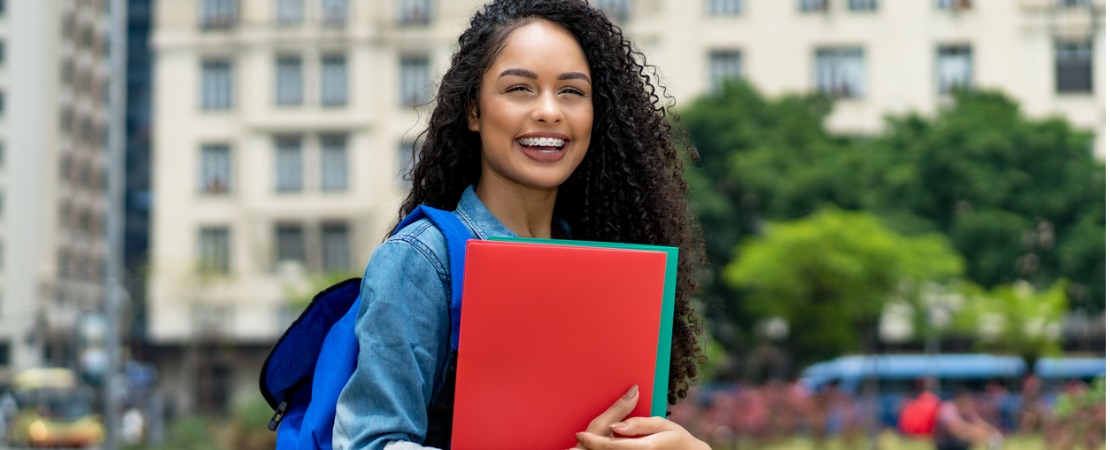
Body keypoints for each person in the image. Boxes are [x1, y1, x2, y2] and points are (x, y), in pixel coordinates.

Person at [332, 1, 709, 449]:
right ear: (473, 111)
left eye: (572, 92)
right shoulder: (422, 260)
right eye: (520, 89)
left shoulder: (608, 264)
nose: (550, 111)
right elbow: (369, 442)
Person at [933, 388, 1003, 450]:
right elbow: (956, 429)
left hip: (958, 443)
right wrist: (980, 433)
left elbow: (976, 420)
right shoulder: (948, 409)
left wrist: (992, 430)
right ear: (959, 399)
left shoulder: (963, 408)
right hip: (946, 445)